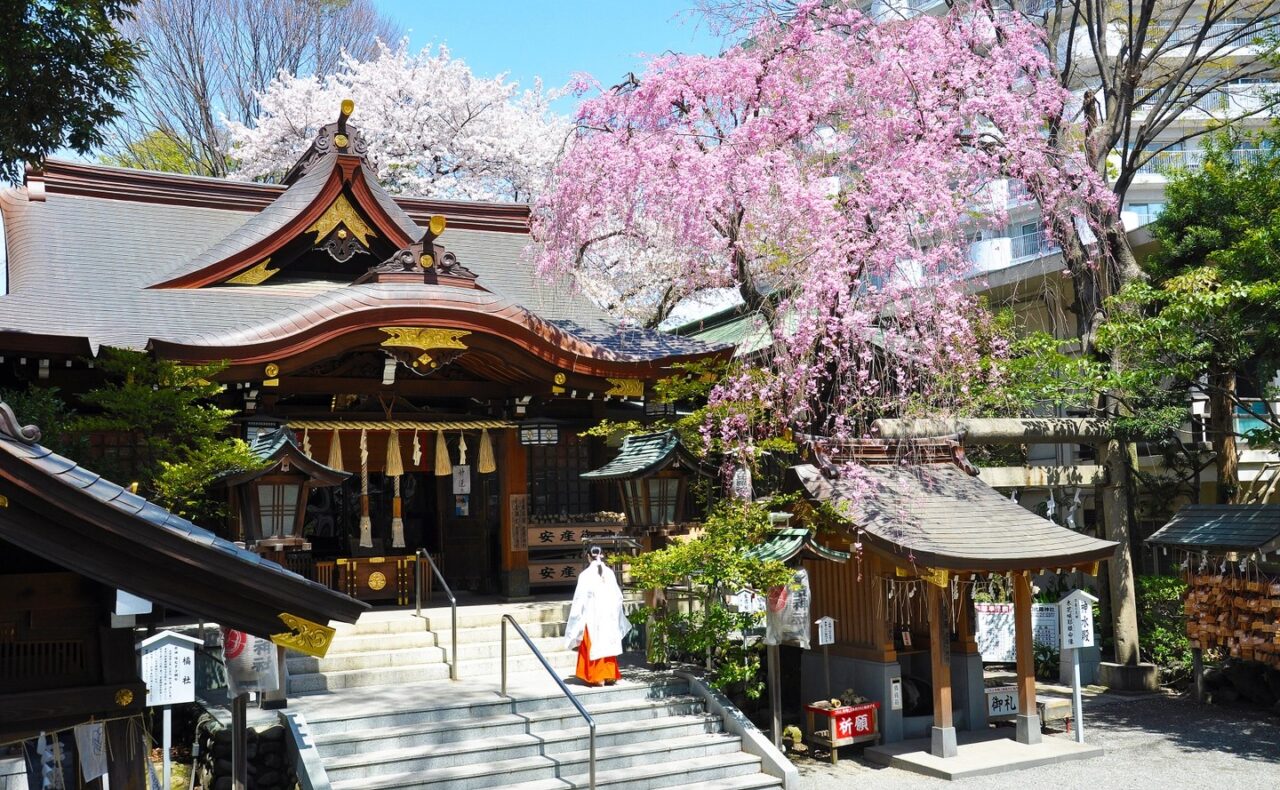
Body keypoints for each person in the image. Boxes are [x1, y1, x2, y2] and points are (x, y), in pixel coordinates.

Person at [564, 546, 631, 685]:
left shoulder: (585, 575)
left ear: (588, 556)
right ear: (602, 555)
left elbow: (579, 600)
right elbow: (618, 596)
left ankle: (597, 677)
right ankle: (609, 675)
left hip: (592, 616)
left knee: (593, 645)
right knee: (607, 643)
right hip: (608, 616)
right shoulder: (610, 573)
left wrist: (576, 620)